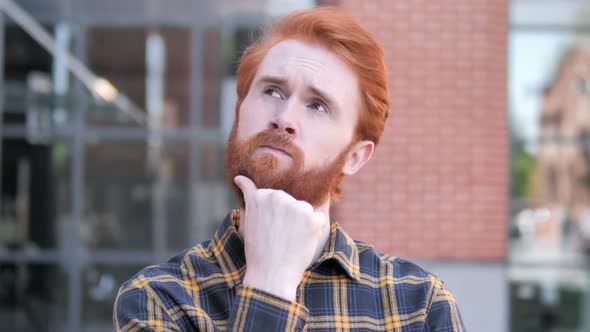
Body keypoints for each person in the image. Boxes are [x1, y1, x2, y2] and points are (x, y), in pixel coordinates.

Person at [114, 6, 465, 332]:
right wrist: (269, 283)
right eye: (273, 92)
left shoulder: (417, 306)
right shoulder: (159, 299)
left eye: (317, 105)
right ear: (239, 115)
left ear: (355, 156)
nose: (284, 120)